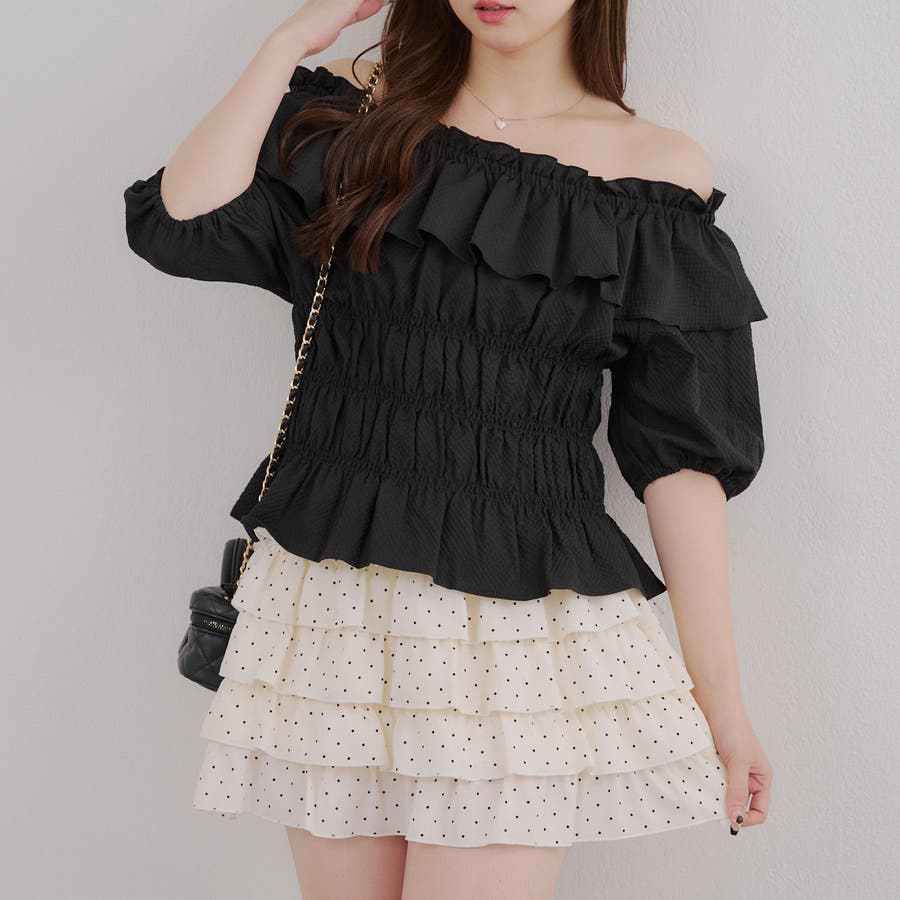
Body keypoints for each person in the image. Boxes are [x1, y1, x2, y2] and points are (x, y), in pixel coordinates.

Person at [123, 1, 774, 898]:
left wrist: (723, 702)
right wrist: (288, 44)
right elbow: (180, 224)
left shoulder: (651, 173)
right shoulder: (353, 115)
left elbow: (682, 456)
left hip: (514, 622)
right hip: (333, 605)